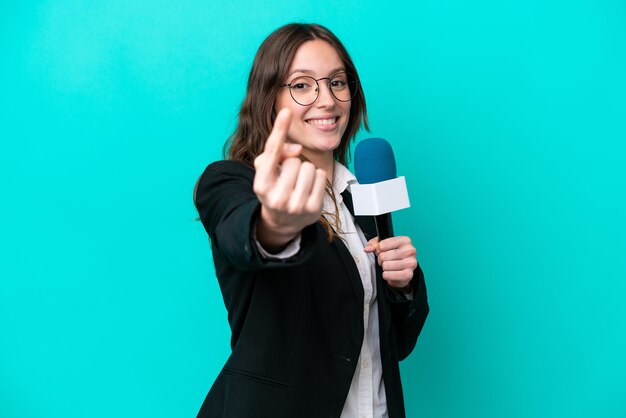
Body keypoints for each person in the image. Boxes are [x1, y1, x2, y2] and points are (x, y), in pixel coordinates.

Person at [193, 23, 429, 418]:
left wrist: (401, 287)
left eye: (338, 82)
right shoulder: (232, 183)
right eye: (302, 85)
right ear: (269, 98)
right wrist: (277, 224)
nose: (327, 99)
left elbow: (391, 346)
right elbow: (241, 235)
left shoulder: (362, 199)